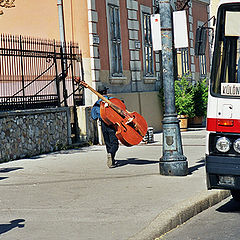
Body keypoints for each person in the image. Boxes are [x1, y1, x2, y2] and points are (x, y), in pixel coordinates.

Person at [91, 86, 119, 168]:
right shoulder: (112, 100)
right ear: (106, 92)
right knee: (115, 143)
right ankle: (111, 155)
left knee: (108, 143)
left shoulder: (96, 104)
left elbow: (94, 117)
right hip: (112, 124)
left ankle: (112, 160)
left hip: (103, 124)